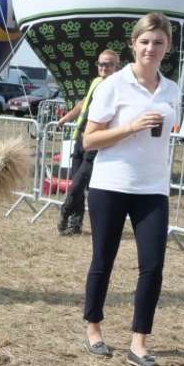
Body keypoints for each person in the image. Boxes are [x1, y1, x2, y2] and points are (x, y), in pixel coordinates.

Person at [80, 12, 182, 366]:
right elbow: (89, 139)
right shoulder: (113, 85)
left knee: (153, 266)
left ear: (168, 47)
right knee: (103, 260)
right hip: (111, 184)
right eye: (144, 41)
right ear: (133, 45)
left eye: (158, 42)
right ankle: (94, 327)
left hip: (153, 188)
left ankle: (139, 342)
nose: (151, 48)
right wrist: (132, 126)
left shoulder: (172, 90)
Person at [56, 48, 121, 235]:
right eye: (101, 64)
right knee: (76, 181)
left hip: (96, 142)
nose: (103, 67)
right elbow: (82, 104)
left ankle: (66, 209)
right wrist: (65, 118)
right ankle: (75, 224)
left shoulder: (118, 87)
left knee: (78, 183)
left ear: (116, 66)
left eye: (108, 64)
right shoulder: (96, 82)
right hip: (81, 138)